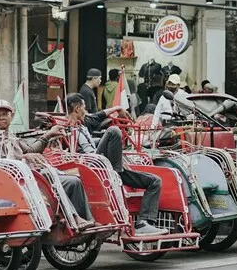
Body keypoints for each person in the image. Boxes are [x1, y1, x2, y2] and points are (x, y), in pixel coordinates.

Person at [64, 94, 163, 233]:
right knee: (114, 130)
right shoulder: (66, 128)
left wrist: (118, 108)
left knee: (155, 181)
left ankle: (144, 223)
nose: (86, 112)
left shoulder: (84, 123)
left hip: (106, 165)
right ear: (77, 108)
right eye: (84, 108)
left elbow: (99, 115)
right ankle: (117, 172)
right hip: (92, 165)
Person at [0, 99, 93, 228]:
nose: (1, 118)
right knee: (48, 177)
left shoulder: (13, 137)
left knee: (73, 181)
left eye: (5, 114)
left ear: (12, 116)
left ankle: (86, 220)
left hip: (31, 177)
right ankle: (74, 218)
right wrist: (23, 157)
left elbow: (31, 150)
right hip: (13, 182)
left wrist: (48, 135)